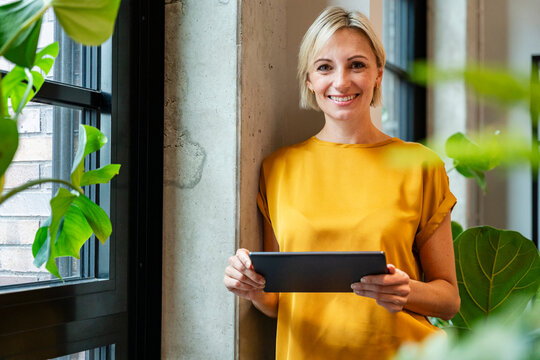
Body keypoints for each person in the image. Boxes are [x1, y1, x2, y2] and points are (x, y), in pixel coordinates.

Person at [224, 6, 460, 360]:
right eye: (324, 67)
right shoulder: (278, 169)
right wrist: (252, 288)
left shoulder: (419, 165)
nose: (341, 81)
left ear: (378, 73)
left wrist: (405, 290)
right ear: (309, 80)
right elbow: (279, 301)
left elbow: (449, 300)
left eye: (357, 65)